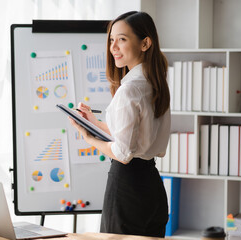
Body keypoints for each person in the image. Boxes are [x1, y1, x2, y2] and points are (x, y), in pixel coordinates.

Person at [69, 11, 170, 237]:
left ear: (145, 43)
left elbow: (123, 152)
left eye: (122, 39)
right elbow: (137, 136)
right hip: (152, 187)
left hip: (127, 189)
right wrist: (94, 122)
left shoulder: (129, 90)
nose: (113, 47)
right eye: (112, 40)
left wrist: (88, 138)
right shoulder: (157, 83)